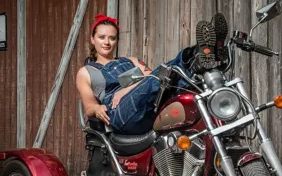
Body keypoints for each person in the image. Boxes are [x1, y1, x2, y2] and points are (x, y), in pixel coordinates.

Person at [75, 13, 227, 135]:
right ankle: (194, 53)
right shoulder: (87, 72)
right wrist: (97, 109)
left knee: (172, 78)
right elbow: (89, 107)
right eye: (102, 37)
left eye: (112, 38)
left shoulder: (130, 60)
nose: (107, 42)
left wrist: (125, 90)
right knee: (163, 73)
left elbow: (154, 79)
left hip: (146, 106)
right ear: (92, 39)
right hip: (119, 113)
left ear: (117, 41)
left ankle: (203, 55)